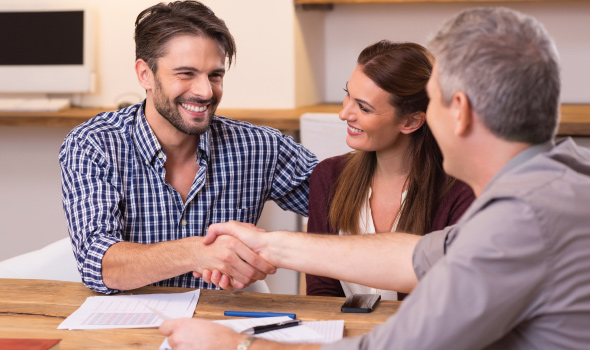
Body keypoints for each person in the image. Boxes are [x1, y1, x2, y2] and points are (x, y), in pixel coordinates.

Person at [160, 6, 590, 350]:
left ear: (458, 111)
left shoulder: (521, 222)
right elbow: (417, 257)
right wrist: (269, 245)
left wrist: (236, 347)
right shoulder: (558, 186)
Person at [58, 0, 317, 294]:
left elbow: (348, 204)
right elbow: (100, 264)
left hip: (219, 330)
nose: (206, 92)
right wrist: (198, 252)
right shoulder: (94, 144)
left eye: (215, 75)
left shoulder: (259, 147)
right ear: (145, 74)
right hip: (127, 333)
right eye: (186, 74)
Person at [305, 41, 474, 301]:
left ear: (411, 121)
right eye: (348, 94)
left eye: (363, 107)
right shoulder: (329, 177)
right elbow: (322, 292)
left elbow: (452, 300)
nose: (344, 113)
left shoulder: (461, 192)